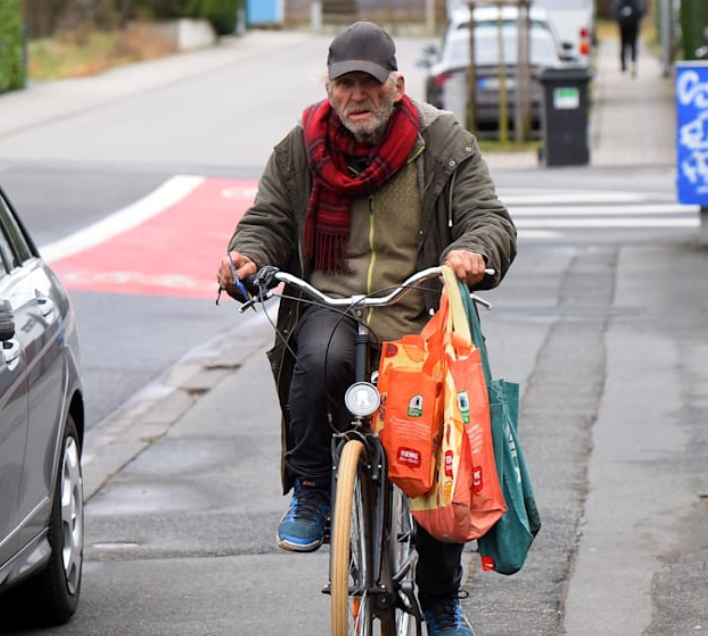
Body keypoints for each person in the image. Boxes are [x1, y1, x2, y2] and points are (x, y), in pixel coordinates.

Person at [216, 20, 516, 636]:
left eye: (370, 84)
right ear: (328, 88)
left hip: (418, 317)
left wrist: (473, 251)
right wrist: (246, 257)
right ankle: (312, 488)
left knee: (434, 458)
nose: (357, 96)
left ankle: (440, 601)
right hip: (334, 305)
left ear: (396, 86)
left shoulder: (442, 141)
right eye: (344, 84)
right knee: (313, 357)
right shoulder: (301, 147)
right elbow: (267, 220)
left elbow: (488, 217)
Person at [613, 0, 644, 77]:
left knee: (628, 45)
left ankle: (629, 65)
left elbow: (615, 11)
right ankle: (627, 64)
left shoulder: (622, 2)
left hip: (629, 26)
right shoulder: (632, 2)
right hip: (627, 26)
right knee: (628, 45)